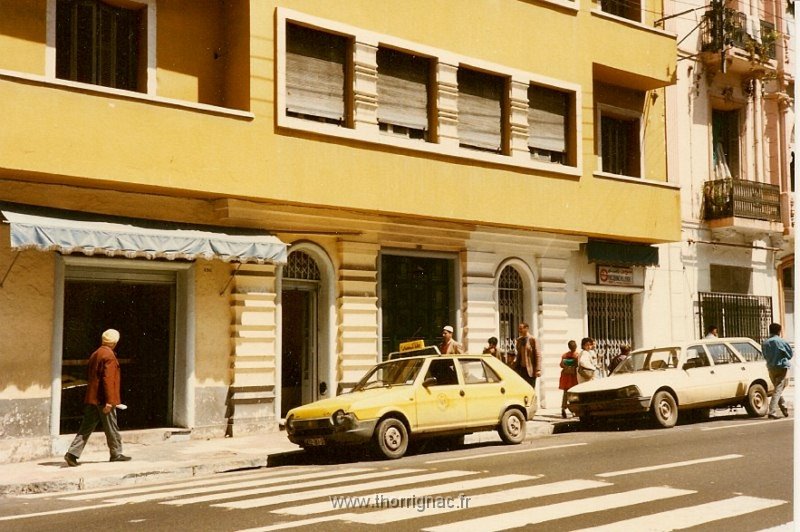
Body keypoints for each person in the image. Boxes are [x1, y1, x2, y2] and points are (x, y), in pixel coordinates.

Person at [64, 329, 131, 466]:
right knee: (112, 426)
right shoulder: (109, 356)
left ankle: (72, 453)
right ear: (115, 342)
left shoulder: (96, 353)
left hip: (93, 398)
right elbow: (108, 380)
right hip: (103, 399)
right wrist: (110, 401)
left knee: (86, 427)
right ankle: (116, 453)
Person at [762, 322, 793, 419]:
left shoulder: (765, 342)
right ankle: (772, 411)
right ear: (779, 331)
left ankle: (783, 406)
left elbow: (764, 355)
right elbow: (790, 355)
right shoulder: (781, 341)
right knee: (778, 389)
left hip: (771, 367)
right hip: (781, 367)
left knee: (777, 389)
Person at [515, 322, 542, 388]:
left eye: (521, 329)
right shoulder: (519, 340)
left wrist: (538, 369)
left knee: (531, 388)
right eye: (519, 329)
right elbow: (518, 353)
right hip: (521, 369)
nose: (519, 330)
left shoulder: (533, 340)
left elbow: (538, 355)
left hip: (530, 369)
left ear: (526, 328)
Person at [559, 340, 579, 418]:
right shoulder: (577, 355)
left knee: (565, 393)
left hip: (566, 376)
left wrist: (567, 365)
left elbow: (561, 365)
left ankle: (563, 408)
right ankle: (574, 410)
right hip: (573, 376)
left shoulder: (564, 355)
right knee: (574, 393)